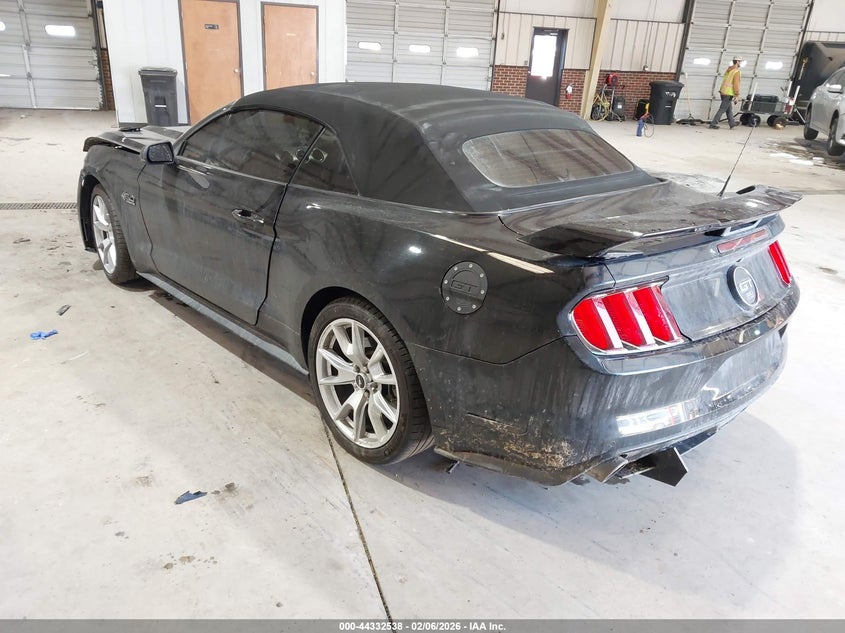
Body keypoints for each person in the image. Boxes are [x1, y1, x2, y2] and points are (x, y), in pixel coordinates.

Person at [709, 57, 743, 129]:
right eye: (740, 61)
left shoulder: (729, 70)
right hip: (729, 93)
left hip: (723, 91)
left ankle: (732, 124)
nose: (740, 63)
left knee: (729, 109)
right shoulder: (736, 72)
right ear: (737, 61)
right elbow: (736, 84)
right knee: (722, 109)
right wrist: (737, 95)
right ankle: (713, 124)